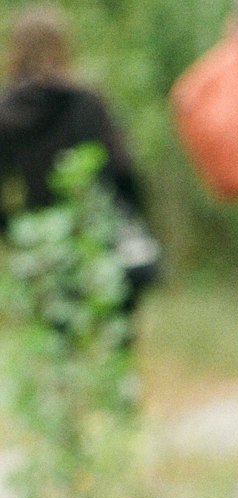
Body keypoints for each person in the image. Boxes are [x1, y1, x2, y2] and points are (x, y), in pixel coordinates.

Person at [0, 3, 149, 300]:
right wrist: (133, 217)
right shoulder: (86, 102)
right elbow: (122, 170)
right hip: (95, 242)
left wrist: (15, 235)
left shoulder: (5, 112)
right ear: (62, 46)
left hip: (40, 248)